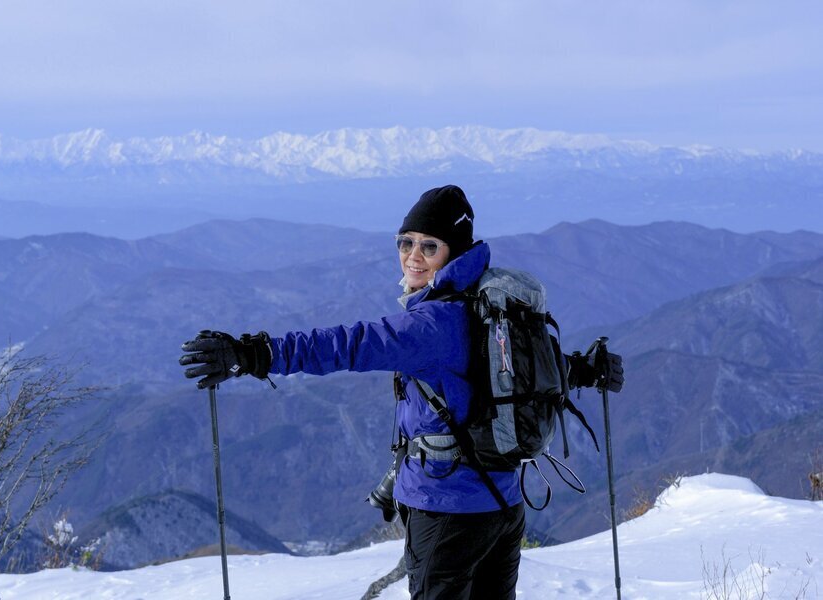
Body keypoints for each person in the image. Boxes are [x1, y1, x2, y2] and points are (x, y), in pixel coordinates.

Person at [179, 185, 613, 599]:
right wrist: (587, 371)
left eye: (429, 246)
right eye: (405, 242)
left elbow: (347, 344)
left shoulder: (430, 325)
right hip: (503, 508)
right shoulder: (488, 311)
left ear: (454, 251)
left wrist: (256, 355)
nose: (413, 256)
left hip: (447, 511)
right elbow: (518, 374)